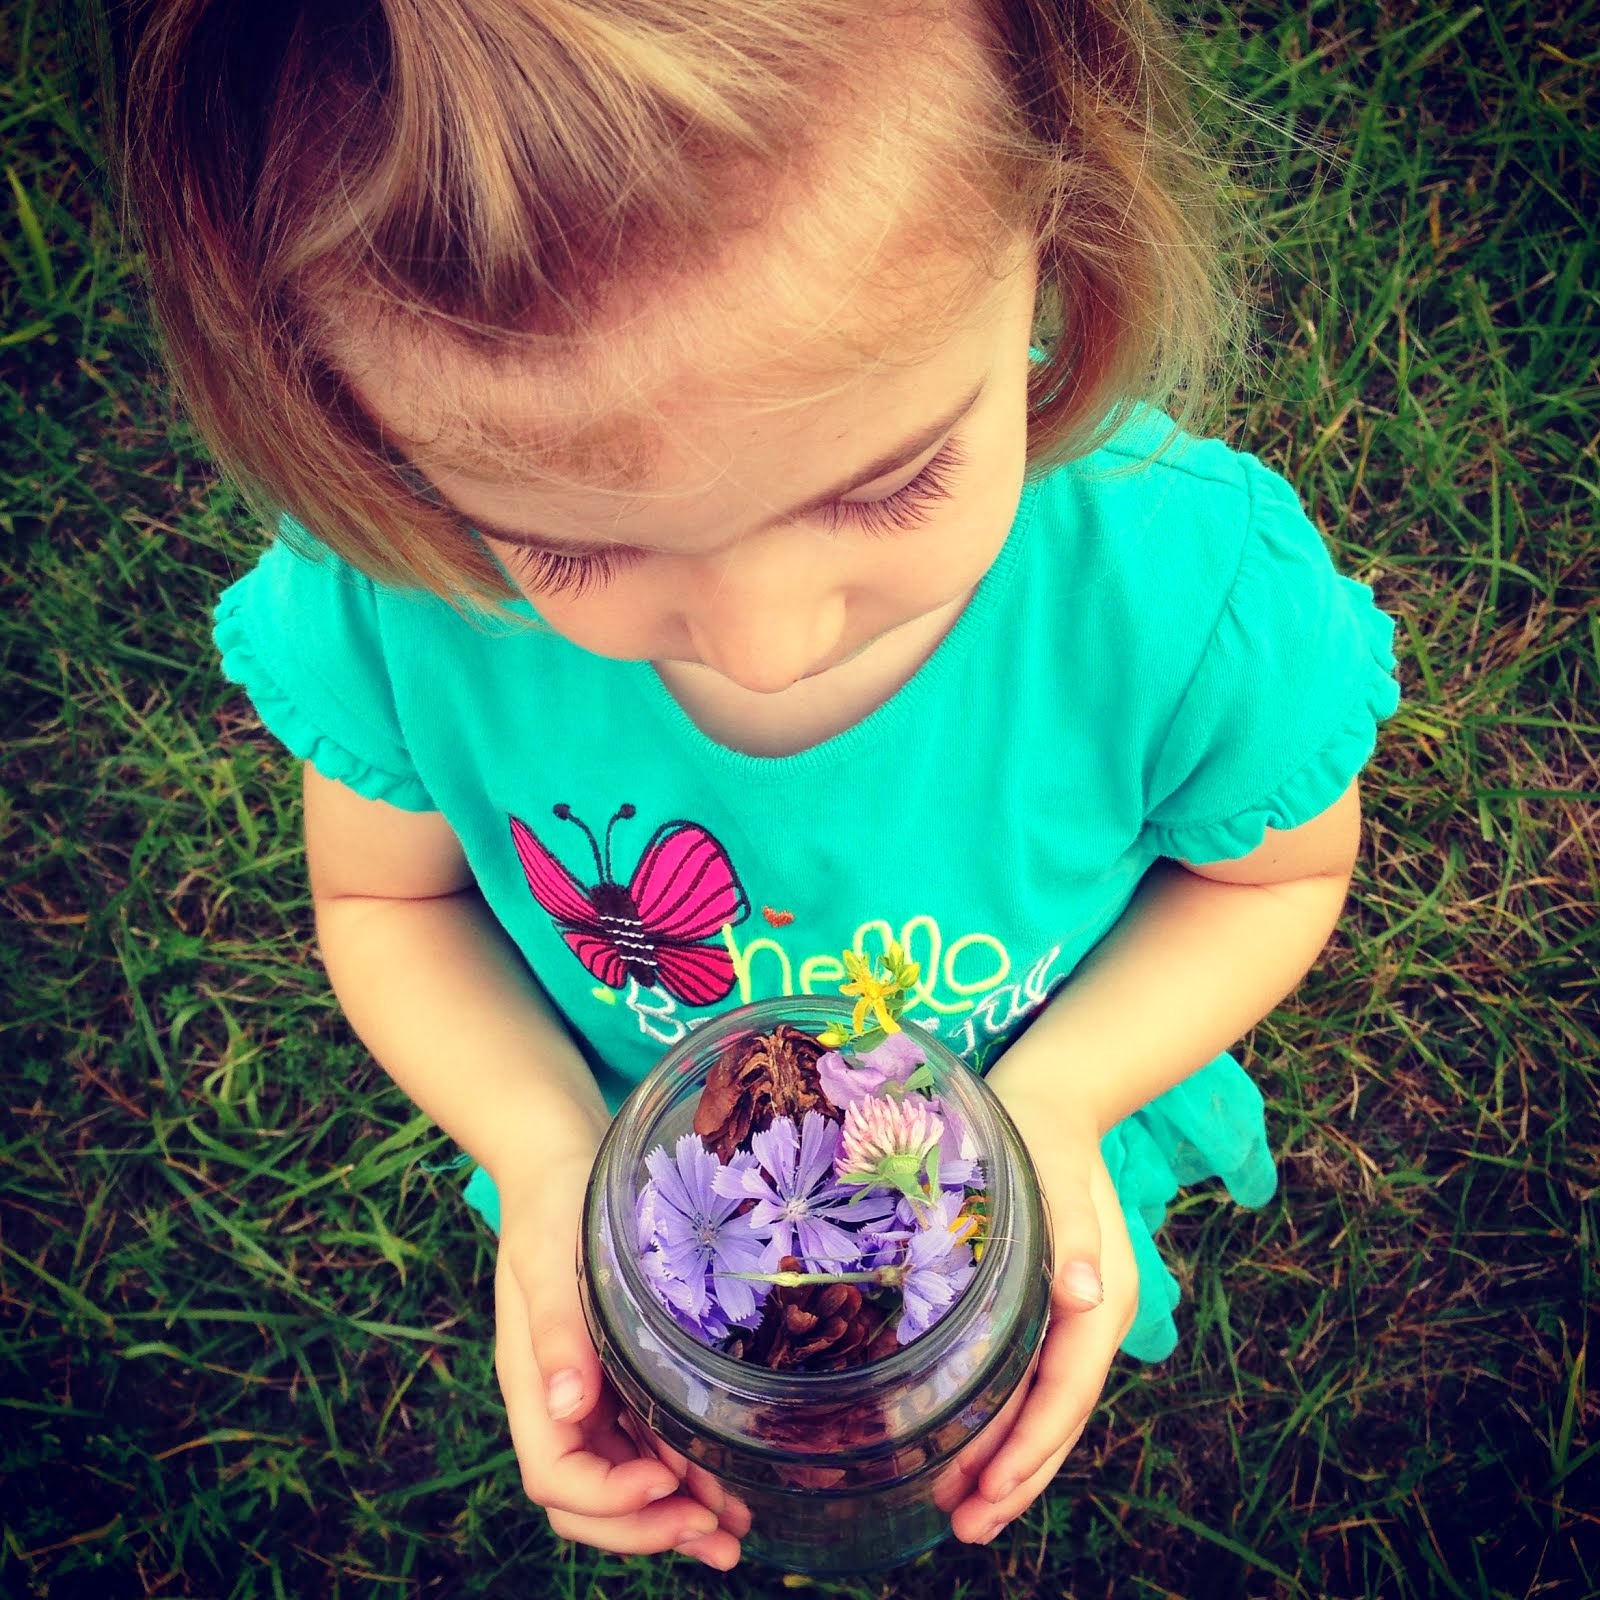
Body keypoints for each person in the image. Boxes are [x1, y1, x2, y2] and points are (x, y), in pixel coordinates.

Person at [111, 0, 1399, 1572]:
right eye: (574, 545)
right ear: (366, 432)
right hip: (640, 1166)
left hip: (1032, 1099)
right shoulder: (408, 608)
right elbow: (387, 895)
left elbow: (1272, 876)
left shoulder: (1178, 595)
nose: (764, 643)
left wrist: (1059, 1103)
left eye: (888, 479)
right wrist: (540, 1153)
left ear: (1059, 236)